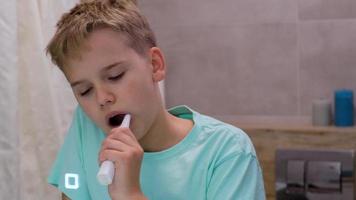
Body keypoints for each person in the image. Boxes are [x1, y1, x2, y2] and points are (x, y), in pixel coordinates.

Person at [46, 0, 266, 199]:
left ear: (155, 65)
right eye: (85, 91)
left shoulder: (226, 152)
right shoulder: (87, 129)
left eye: (115, 76)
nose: (102, 99)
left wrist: (130, 194)